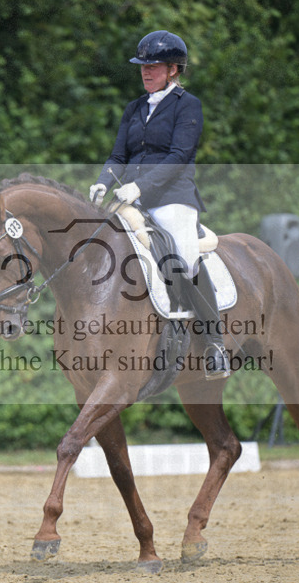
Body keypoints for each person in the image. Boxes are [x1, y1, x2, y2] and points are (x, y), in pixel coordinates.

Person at [88, 30, 228, 380]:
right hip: (129, 197)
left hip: (172, 198)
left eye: (153, 66)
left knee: (184, 256)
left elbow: (180, 156)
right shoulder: (133, 108)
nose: (146, 72)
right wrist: (103, 181)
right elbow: (118, 155)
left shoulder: (187, 105)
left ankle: (215, 344)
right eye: (143, 66)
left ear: (173, 69)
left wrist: (139, 187)